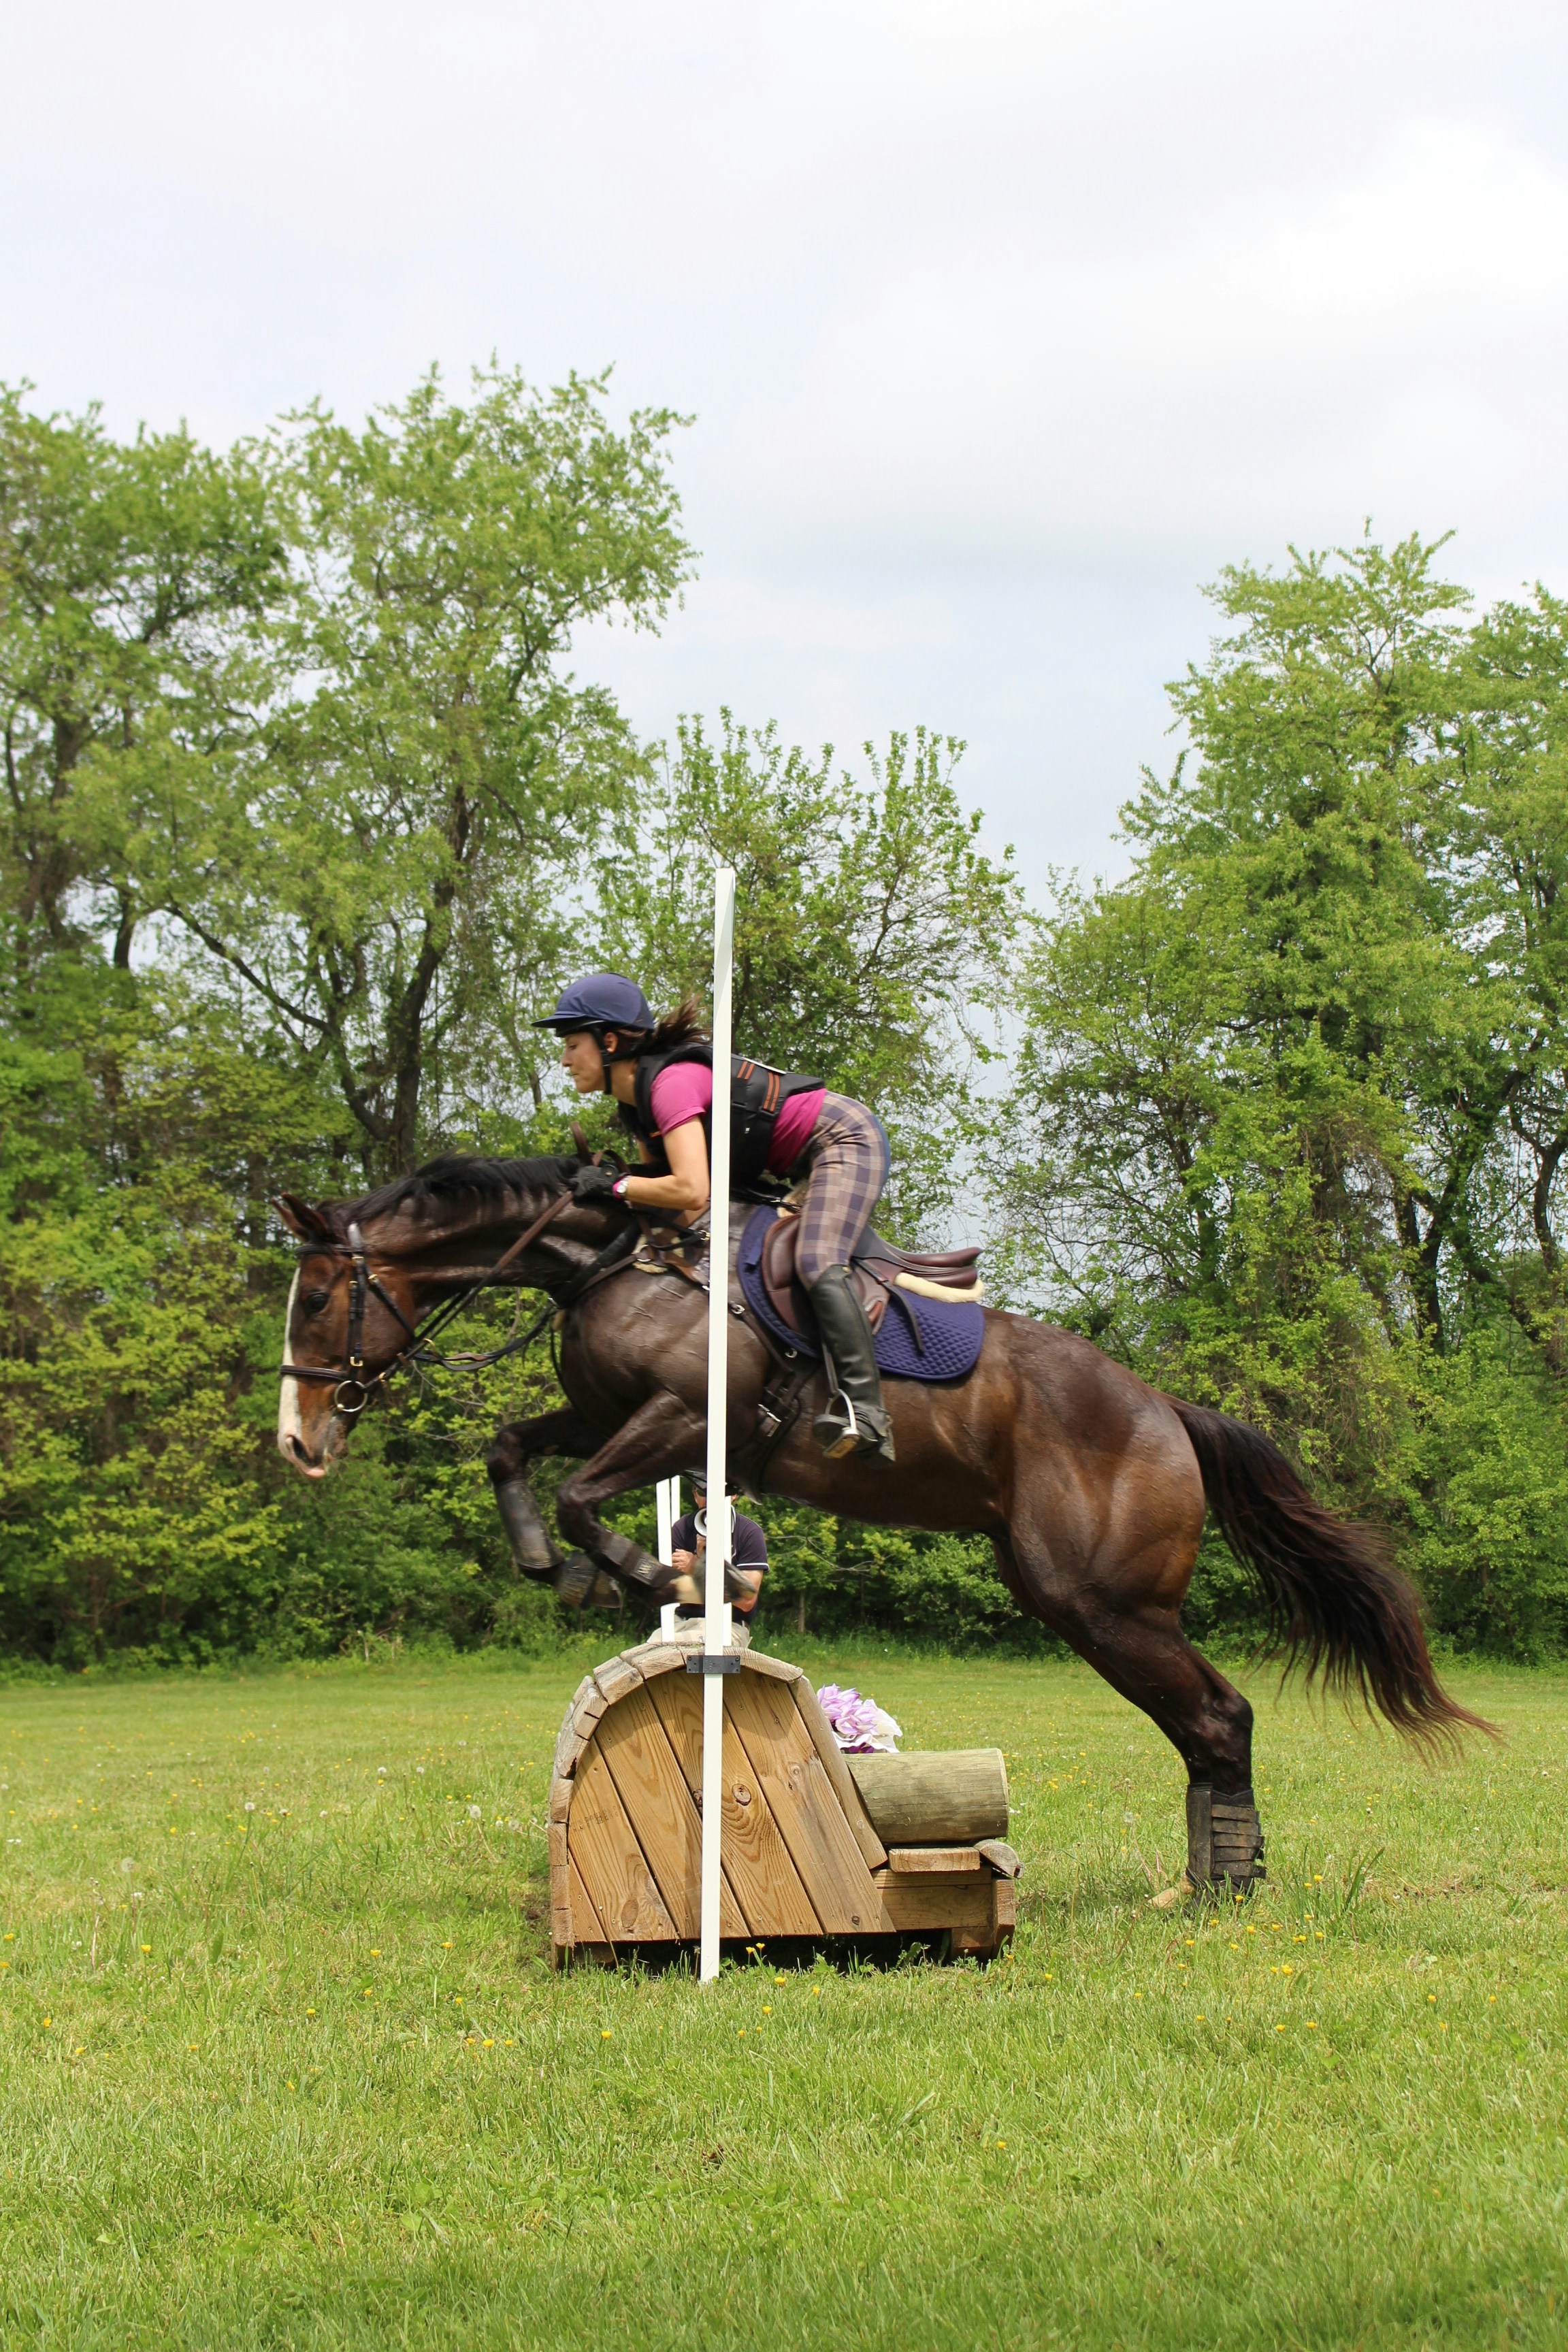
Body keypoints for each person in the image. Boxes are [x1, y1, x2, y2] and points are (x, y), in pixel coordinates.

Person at [534, 972, 895, 1461]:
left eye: (573, 1044)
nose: (564, 1059)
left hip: (841, 1139)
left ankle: (866, 1410)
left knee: (814, 1260)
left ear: (609, 1040)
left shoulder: (668, 1085)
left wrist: (617, 1186)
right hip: (794, 1162)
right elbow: (673, 1203)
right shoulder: (636, 1106)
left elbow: (691, 1189)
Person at [668, 1477, 766, 1622]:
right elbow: (674, 1591)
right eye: (703, 1492)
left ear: (733, 1495)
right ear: (695, 1496)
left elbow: (747, 1601)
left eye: (717, 1492)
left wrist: (697, 1567)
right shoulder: (682, 1528)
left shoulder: (750, 1533)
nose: (710, 1499)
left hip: (730, 1624)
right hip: (685, 1620)